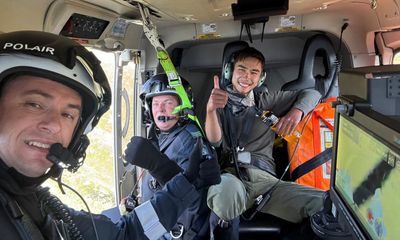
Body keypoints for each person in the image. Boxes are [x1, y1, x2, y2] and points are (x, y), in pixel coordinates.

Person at [0, 30, 220, 240]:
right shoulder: (157, 137)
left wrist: (177, 178)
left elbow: (126, 235)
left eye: (68, 114)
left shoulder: (35, 201)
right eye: (34, 104)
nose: (53, 125)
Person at [205, 46, 325, 239]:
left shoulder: (267, 100)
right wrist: (210, 110)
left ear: (261, 78)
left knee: (326, 205)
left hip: (268, 184)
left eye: (254, 72)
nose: (247, 76)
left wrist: (296, 112)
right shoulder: (218, 101)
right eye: (242, 69)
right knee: (226, 194)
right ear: (229, 72)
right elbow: (215, 141)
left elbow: (313, 93)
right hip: (233, 177)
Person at [124, 73, 219, 240]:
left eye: (168, 103)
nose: (160, 110)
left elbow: (194, 201)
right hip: (158, 222)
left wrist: (156, 164)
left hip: (176, 232)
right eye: (155, 104)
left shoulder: (189, 140)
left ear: (182, 107)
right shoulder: (161, 135)